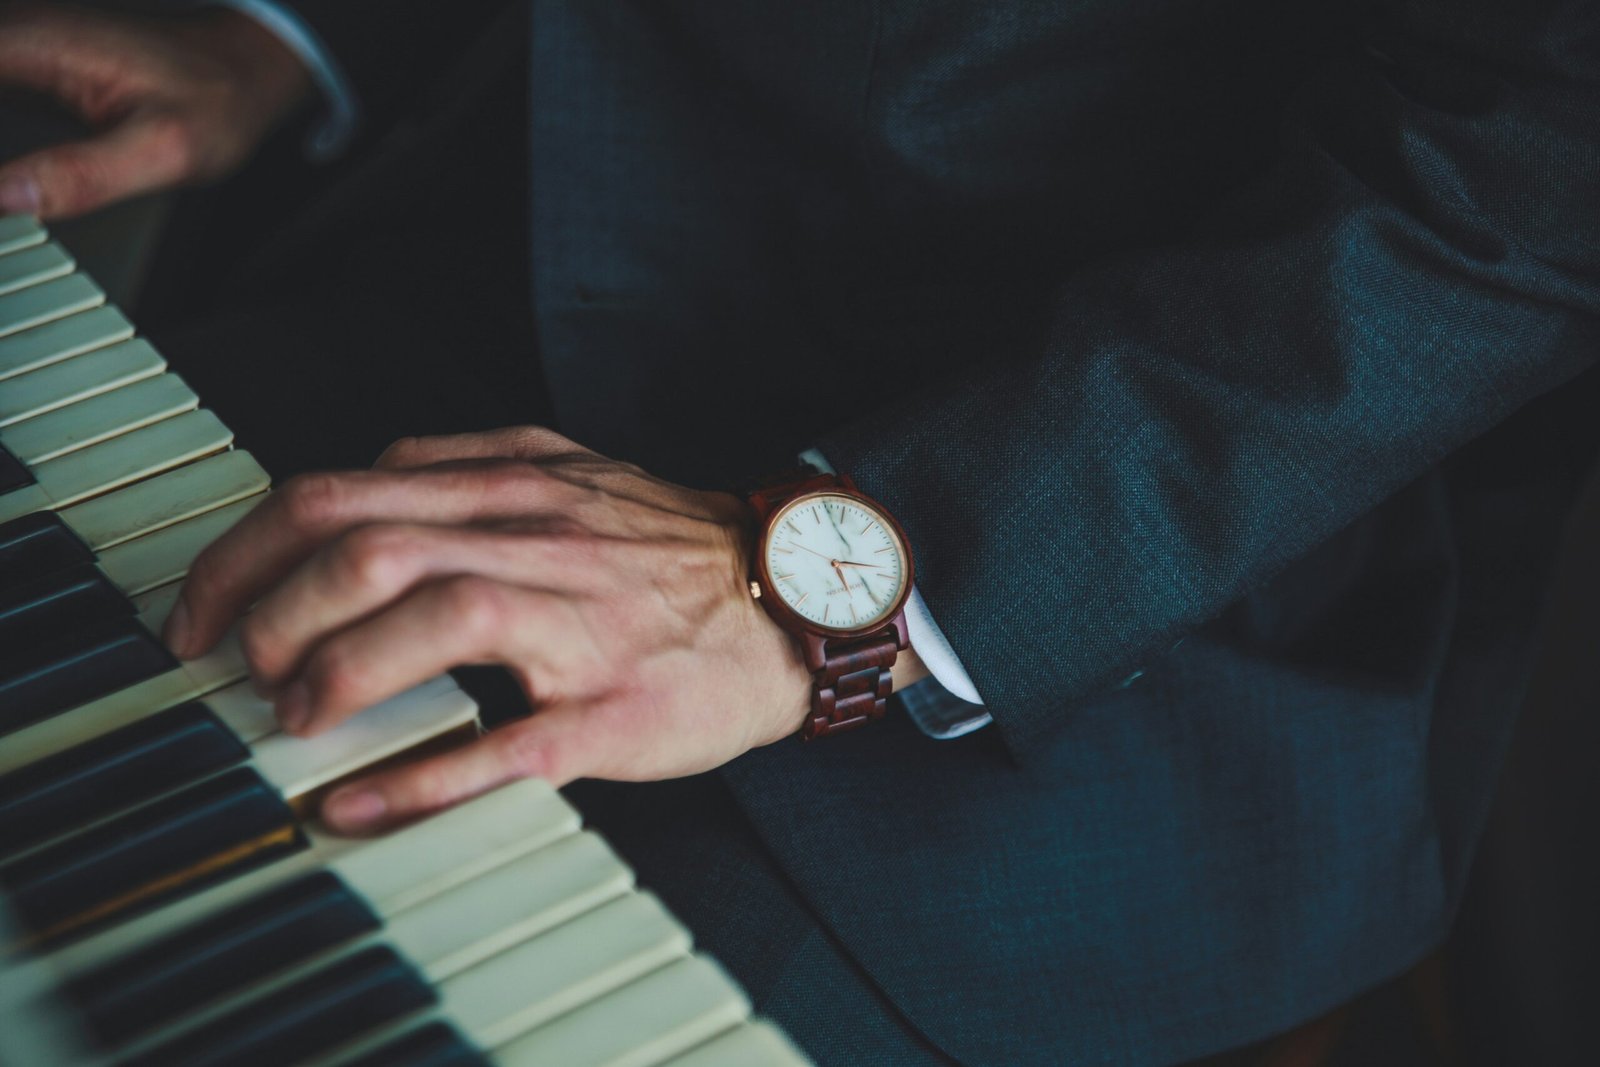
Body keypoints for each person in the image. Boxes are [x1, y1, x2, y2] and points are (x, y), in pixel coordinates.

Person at [2, 2, 1597, 1063]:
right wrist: (310, 31)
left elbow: (1544, 162)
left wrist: (843, 582)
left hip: (1081, 583)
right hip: (445, 306)